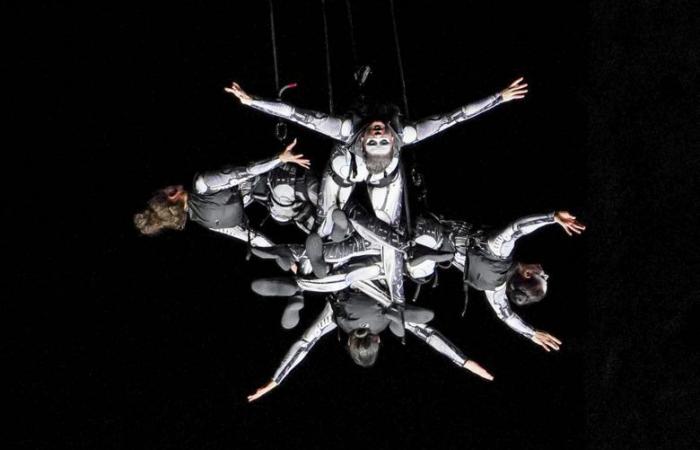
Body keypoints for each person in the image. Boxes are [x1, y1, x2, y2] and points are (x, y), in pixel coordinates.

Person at [225, 78, 527, 232]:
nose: (380, 135)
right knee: (329, 210)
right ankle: (329, 228)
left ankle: (350, 234)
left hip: (380, 173)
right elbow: (456, 116)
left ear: (365, 142)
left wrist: (252, 101)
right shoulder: (402, 134)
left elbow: (296, 114)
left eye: (376, 141)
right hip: (347, 167)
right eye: (381, 140)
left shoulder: (349, 131)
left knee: (387, 219)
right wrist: (499, 97)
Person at [246, 287, 494, 402]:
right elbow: (303, 344)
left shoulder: (384, 322)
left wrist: (466, 362)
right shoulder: (335, 320)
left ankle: (299, 286)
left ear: (377, 341)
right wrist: (274, 381)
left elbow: (430, 336)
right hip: (342, 275)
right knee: (314, 284)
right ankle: (298, 286)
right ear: (349, 344)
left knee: (406, 312)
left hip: (374, 269)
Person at [133, 140, 312, 266]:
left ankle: (313, 240)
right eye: (165, 189)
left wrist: (280, 254)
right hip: (280, 181)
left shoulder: (206, 222)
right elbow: (245, 172)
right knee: (288, 192)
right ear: (172, 195)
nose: (167, 185)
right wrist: (279, 158)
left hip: (278, 206)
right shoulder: (202, 185)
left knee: (286, 214)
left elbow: (250, 236)